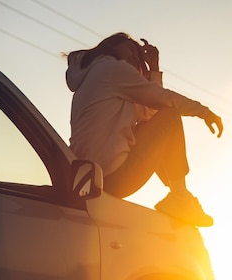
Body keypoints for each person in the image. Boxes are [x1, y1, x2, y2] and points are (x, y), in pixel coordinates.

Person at [66, 33, 223, 227]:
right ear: (111, 46)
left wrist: (154, 69)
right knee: (170, 116)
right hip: (112, 177)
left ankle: (179, 196)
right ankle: (180, 197)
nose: (134, 56)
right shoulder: (113, 69)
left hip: (88, 180)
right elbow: (164, 101)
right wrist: (204, 112)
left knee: (162, 119)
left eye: (137, 54)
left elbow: (150, 112)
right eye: (130, 49)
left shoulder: (96, 74)